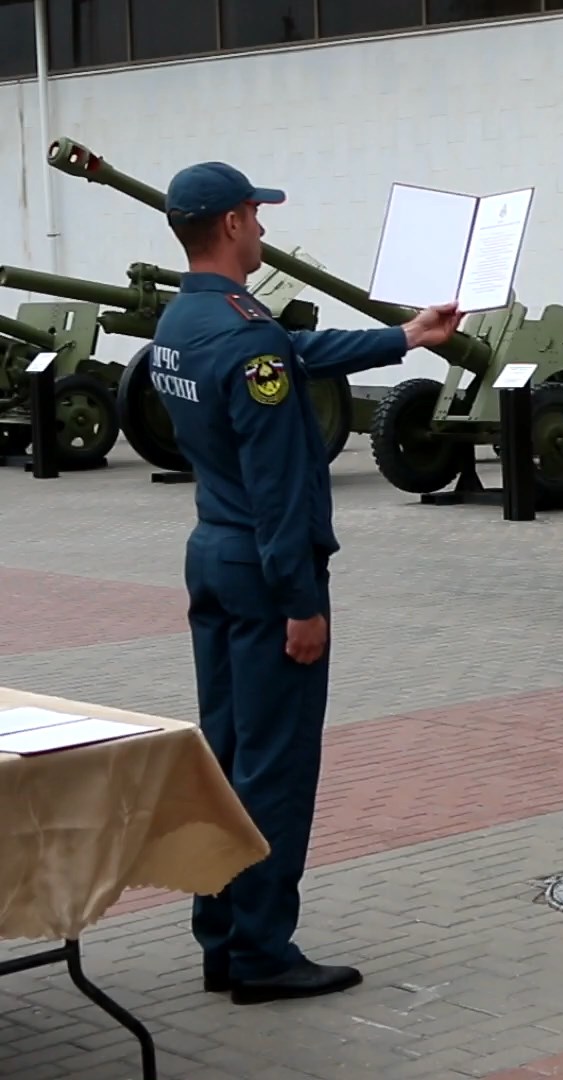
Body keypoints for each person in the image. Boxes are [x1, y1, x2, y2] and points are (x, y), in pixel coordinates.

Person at [148, 161, 460, 1004]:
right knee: (275, 771)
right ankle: (261, 950)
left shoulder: (186, 320)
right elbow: (282, 486)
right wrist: (302, 603)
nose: (263, 227)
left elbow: (293, 352)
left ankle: (220, 932)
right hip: (263, 571)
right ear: (230, 224)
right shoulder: (246, 339)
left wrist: (405, 337)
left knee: (224, 756)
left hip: (212, 554)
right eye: (255, 213)